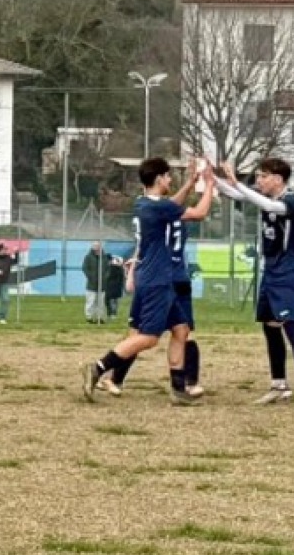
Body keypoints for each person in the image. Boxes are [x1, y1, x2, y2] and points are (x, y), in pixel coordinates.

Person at [81, 156, 214, 405]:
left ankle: (178, 389)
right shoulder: (157, 207)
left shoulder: (145, 203)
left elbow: (173, 204)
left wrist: (189, 183)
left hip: (152, 276)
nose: (170, 179)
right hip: (157, 280)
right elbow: (200, 213)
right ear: (158, 179)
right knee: (149, 338)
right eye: (167, 176)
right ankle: (99, 368)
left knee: (181, 330)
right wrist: (209, 185)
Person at [214, 158, 294, 412]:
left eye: (263, 176)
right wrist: (210, 178)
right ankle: (279, 384)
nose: (259, 180)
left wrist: (238, 182)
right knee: (270, 326)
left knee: (290, 325)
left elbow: (266, 203)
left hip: (288, 268)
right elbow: (238, 194)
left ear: (278, 179)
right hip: (270, 268)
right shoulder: (265, 198)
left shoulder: (292, 200)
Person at [82, 241, 111, 324]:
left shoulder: (104, 257)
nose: (97, 248)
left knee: (101, 302)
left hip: (102, 285)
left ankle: (100, 318)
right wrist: (91, 277)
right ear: (92, 247)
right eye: (95, 246)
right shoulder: (88, 257)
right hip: (91, 284)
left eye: (98, 246)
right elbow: (85, 268)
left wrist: (105, 277)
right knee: (90, 301)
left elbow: (108, 269)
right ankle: (89, 317)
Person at [104, 255, 126, 321]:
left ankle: (113, 314)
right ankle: (110, 314)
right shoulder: (105, 268)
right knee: (108, 301)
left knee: (113, 301)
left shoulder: (116, 268)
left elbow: (121, 278)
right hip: (109, 287)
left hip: (114, 287)